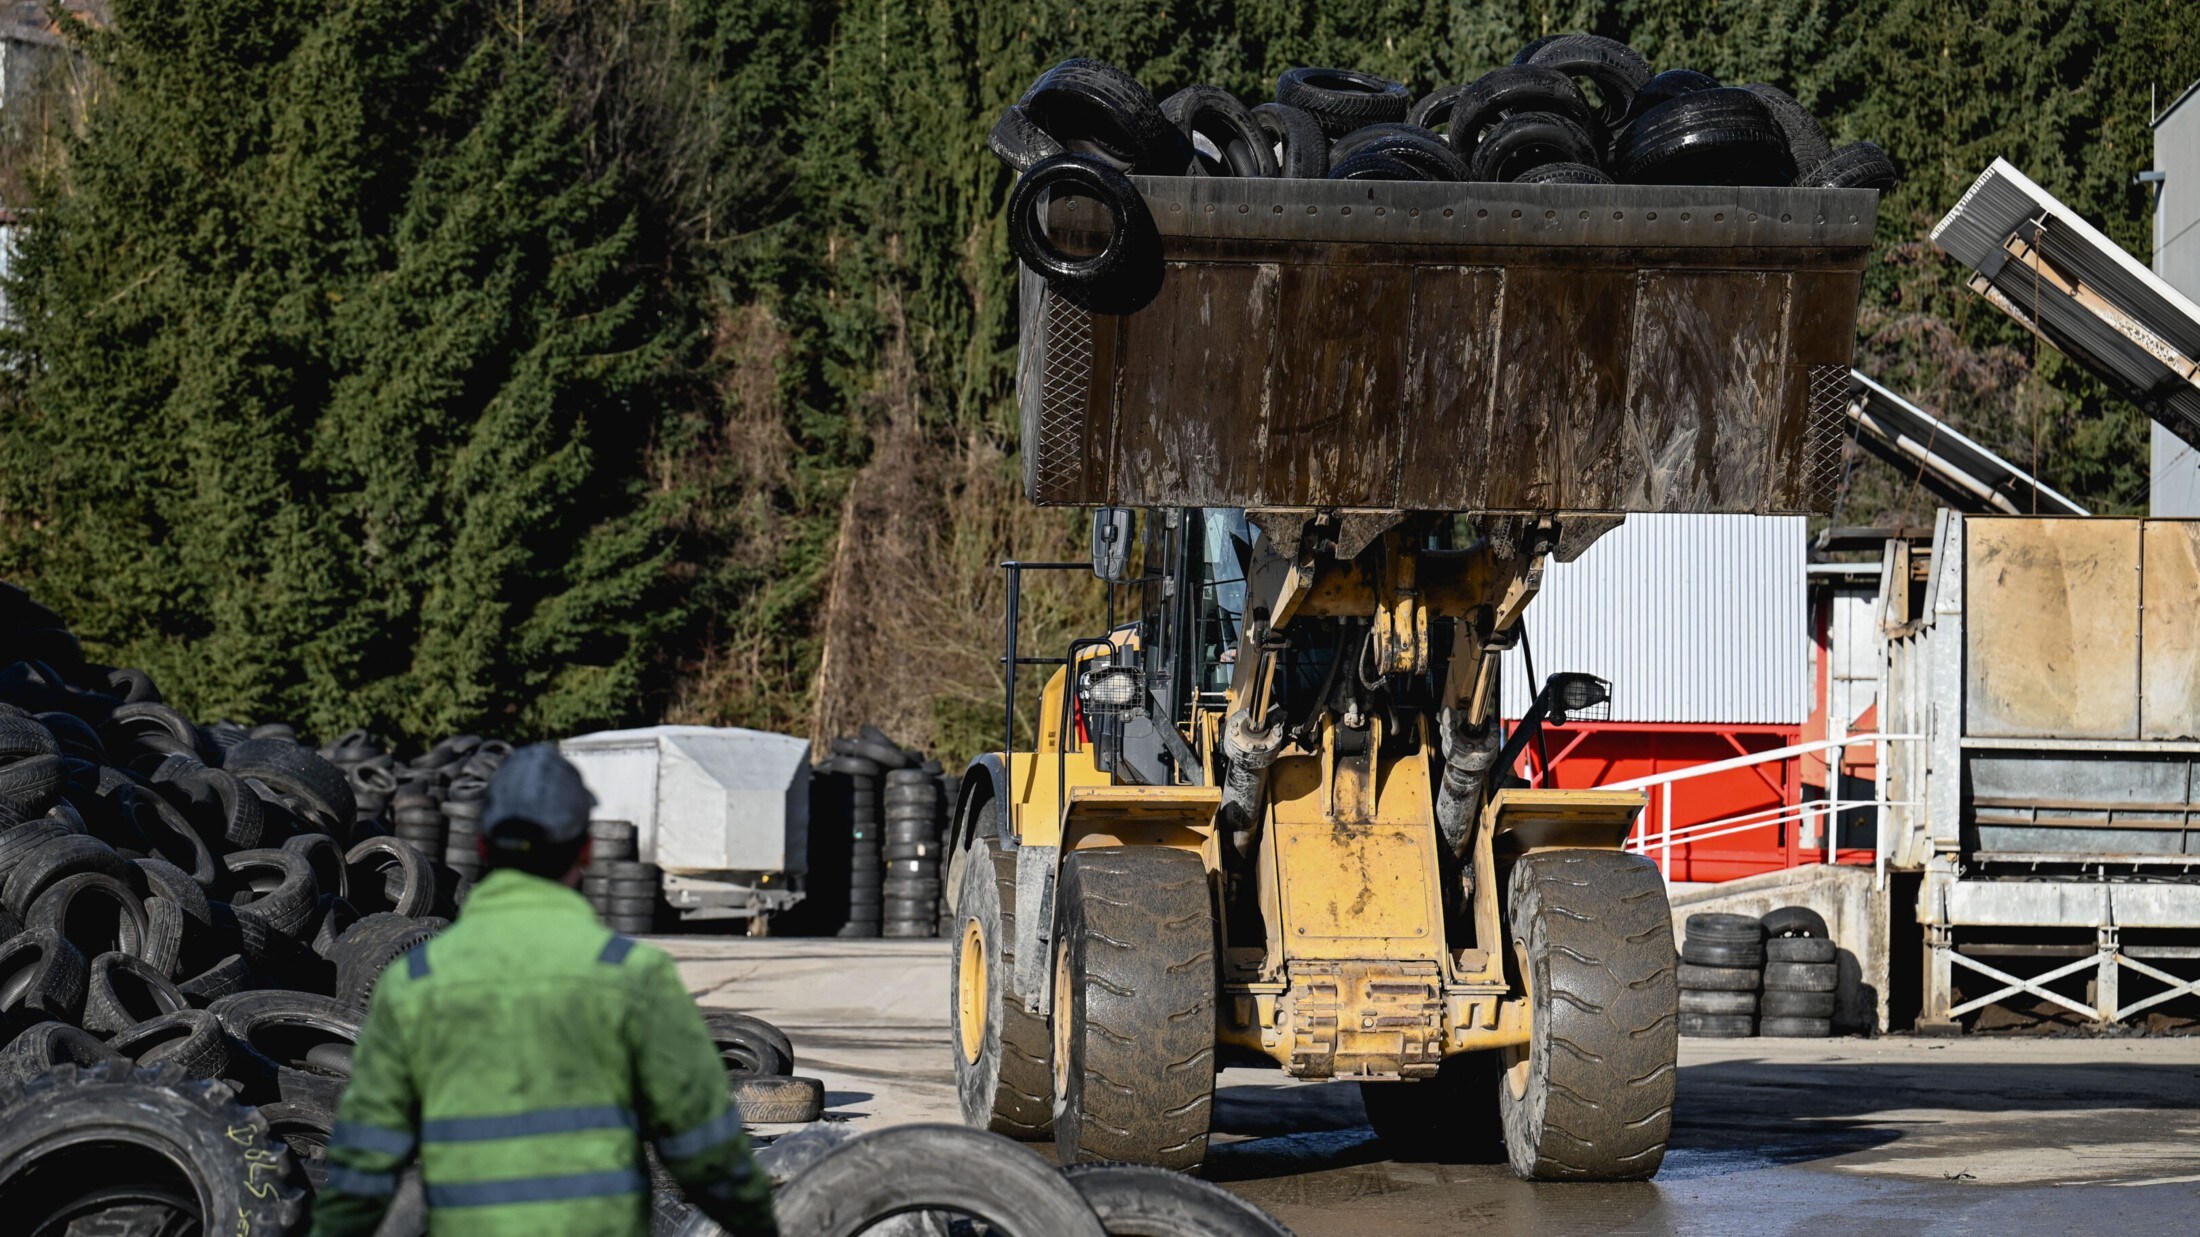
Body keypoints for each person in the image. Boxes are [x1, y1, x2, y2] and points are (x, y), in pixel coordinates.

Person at [309, 744, 777, 1236]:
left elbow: (363, 1169)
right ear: (587, 851)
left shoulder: (414, 982)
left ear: (483, 846)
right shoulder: (637, 976)